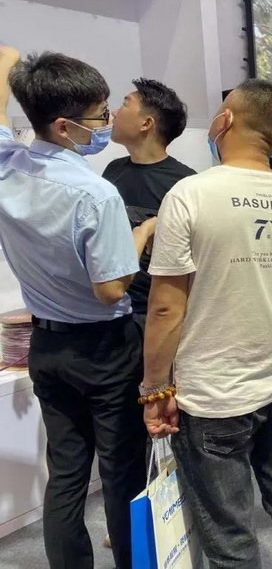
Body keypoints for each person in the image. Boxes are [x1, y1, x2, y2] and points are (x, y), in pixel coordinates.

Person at [142, 79, 272, 568]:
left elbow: (165, 308)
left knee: (229, 531)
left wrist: (154, 389)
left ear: (224, 122)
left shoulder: (191, 195)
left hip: (213, 394)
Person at [0, 47, 154, 569]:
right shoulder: (96, 194)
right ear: (65, 127)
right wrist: (142, 234)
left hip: (47, 346)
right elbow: (110, 289)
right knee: (122, 473)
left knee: (66, 474)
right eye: (101, 115)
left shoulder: (8, 165)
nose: (108, 122)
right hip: (104, 348)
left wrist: (13, 62)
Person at [104, 78, 194, 327]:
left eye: (125, 104)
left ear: (146, 123)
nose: (114, 113)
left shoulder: (186, 183)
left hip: (157, 313)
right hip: (113, 307)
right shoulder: (113, 171)